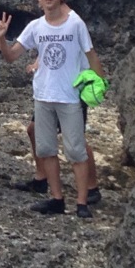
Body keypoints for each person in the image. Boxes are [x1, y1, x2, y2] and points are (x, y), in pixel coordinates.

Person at [0, 0, 106, 218]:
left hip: (70, 96)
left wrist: (101, 85)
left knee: (76, 151)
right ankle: (56, 199)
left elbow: (91, 54)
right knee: (46, 150)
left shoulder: (75, 23)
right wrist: (1, 39)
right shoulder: (35, 27)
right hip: (43, 95)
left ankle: (82, 203)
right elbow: (11, 56)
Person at [15, 59, 102, 205]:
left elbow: (88, 54)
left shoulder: (81, 42)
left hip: (72, 88)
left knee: (76, 140)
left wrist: (99, 81)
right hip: (50, 89)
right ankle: (41, 178)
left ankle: (92, 187)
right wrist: (37, 63)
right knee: (34, 129)